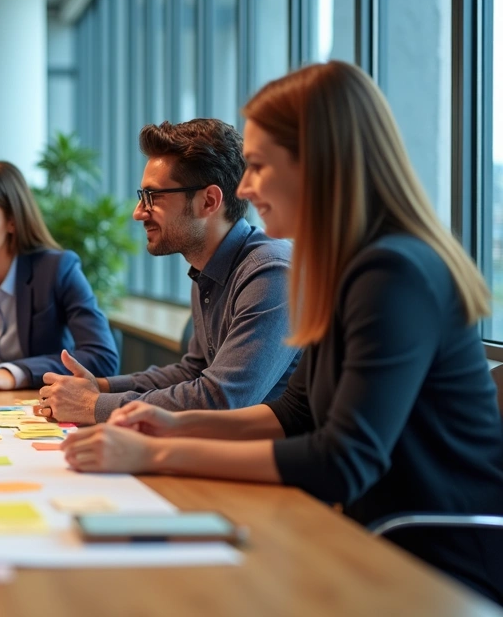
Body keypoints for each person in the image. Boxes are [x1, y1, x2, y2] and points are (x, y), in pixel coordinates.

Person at [61, 61, 503, 603]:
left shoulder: (393, 272)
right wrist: (167, 426)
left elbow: (341, 462)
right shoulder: (341, 269)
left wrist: (156, 455)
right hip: (368, 541)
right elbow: (290, 415)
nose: (244, 186)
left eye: (260, 166)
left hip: (428, 564)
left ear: (319, 166)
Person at [37, 119, 299, 424]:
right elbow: (193, 372)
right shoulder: (207, 267)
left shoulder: (269, 274)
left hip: (274, 462)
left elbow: (223, 400)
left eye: (153, 197)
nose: (138, 213)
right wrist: (100, 387)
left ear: (209, 201)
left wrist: (96, 405)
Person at [0, 160, 119, 391]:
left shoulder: (57, 269)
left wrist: (13, 374)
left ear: (12, 222)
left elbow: (103, 358)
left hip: (40, 406)